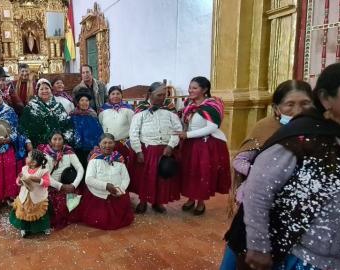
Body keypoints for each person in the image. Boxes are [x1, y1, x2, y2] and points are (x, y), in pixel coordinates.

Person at [228, 61, 340, 270]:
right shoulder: (296, 138)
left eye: (304, 104)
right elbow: (258, 190)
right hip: (304, 257)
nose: (297, 110)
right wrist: (258, 244)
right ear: (326, 99)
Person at [220, 80, 313, 269]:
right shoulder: (266, 128)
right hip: (262, 208)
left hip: (299, 216)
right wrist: (265, 176)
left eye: (305, 104)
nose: (298, 111)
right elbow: (239, 161)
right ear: (277, 109)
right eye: (290, 105)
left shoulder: (319, 133)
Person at [178, 76, 231, 216]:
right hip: (190, 144)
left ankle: (200, 202)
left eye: (194, 88)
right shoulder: (189, 104)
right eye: (190, 87)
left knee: (202, 173)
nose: (190, 90)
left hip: (205, 145)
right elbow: (185, 122)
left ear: (205, 89)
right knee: (190, 172)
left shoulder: (211, 106)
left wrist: (187, 135)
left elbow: (212, 127)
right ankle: (190, 198)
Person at [129, 82, 183, 214]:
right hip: (147, 150)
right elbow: (133, 133)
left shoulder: (169, 110)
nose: (162, 98)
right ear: (150, 95)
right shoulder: (141, 111)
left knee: (160, 178)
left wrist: (170, 146)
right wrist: (138, 151)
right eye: (159, 95)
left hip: (165, 150)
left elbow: (178, 130)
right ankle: (142, 201)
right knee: (145, 177)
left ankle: (157, 202)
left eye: (164, 95)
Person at [72, 133, 134, 230]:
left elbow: (126, 178)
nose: (107, 145)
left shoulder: (119, 159)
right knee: (100, 220)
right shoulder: (94, 159)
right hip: (98, 195)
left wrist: (120, 190)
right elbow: (88, 179)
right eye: (104, 142)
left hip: (117, 194)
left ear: (114, 144)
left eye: (110, 143)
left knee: (121, 219)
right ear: (99, 144)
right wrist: (106, 186)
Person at [10, 150, 62, 238]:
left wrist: (38, 180)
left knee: (40, 213)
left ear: (33, 162)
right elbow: (18, 179)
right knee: (25, 212)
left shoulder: (43, 171)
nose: (26, 158)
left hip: (38, 198)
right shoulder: (24, 168)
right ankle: (24, 228)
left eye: (28, 157)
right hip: (25, 197)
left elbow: (47, 183)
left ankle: (43, 227)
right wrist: (19, 181)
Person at [38, 131, 84, 230]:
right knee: (57, 203)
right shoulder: (45, 155)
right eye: (55, 139)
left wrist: (74, 185)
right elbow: (45, 175)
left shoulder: (68, 152)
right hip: (52, 187)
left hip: (68, 184)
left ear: (63, 141)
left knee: (76, 196)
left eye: (60, 139)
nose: (57, 142)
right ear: (50, 142)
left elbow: (80, 169)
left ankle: (71, 217)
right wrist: (60, 186)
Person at [19, 78, 74, 148]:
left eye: (47, 88)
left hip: (57, 146)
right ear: (37, 91)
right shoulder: (30, 107)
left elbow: (67, 125)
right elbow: (22, 127)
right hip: (37, 147)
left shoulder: (58, 106)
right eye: (41, 89)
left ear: (50, 90)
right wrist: (27, 142)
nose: (44, 91)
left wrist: (65, 140)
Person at [98, 86, 135, 164]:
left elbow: (134, 127)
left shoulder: (128, 109)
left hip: (123, 144)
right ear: (109, 96)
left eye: (118, 94)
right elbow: (101, 125)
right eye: (113, 94)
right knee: (109, 165)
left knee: (124, 165)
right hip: (108, 145)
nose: (115, 96)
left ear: (121, 96)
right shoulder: (103, 110)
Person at [71, 92, 103, 169]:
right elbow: (69, 132)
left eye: (87, 100)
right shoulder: (72, 115)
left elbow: (98, 131)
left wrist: (97, 145)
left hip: (91, 148)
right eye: (82, 100)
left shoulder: (93, 115)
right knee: (79, 168)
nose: (84, 102)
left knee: (91, 168)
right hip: (77, 148)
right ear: (78, 102)